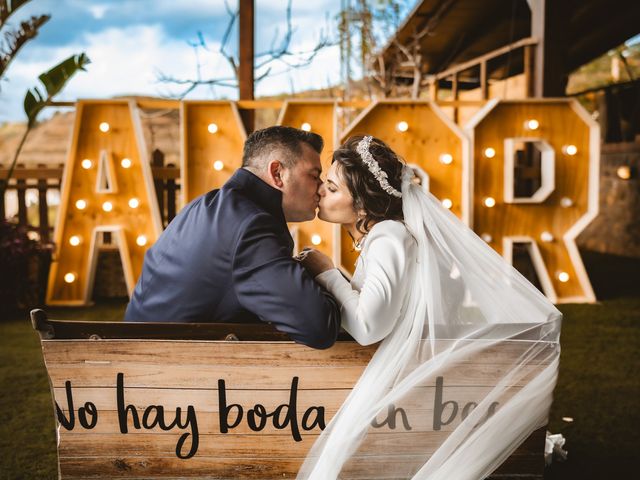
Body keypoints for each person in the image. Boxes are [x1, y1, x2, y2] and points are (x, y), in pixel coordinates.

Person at [296, 135, 562, 478]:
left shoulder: (388, 238)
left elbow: (368, 327)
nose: (320, 192)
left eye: (331, 188)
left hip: (396, 374)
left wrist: (327, 272)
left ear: (362, 206)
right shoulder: (386, 236)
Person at [125, 126, 341, 350]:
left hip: (135, 363)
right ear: (277, 173)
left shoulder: (204, 205)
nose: (321, 188)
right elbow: (319, 328)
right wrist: (324, 273)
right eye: (314, 176)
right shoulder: (253, 225)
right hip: (166, 373)